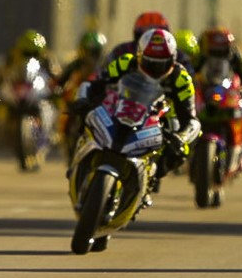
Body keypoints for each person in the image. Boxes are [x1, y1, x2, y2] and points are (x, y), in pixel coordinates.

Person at [75, 28, 201, 197]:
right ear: (139, 55)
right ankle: (82, 158)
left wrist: (181, 137)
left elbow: (192, 120)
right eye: (150, 63)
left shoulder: (181, 79)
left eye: (162, 64)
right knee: (84, 117)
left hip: (160, 119)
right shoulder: (125, 62)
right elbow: (96, 83)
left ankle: (153, 177)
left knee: (181, 149)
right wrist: (84, 101)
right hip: (122, 106)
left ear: (173, 60)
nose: (156, 69)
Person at [196, 27, 242, 111]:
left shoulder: (237, 59)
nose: (217, 60)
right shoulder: (197, 59)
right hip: (201, 103)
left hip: (230, 101)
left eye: (223, 53)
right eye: (213, 53)